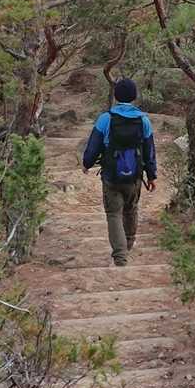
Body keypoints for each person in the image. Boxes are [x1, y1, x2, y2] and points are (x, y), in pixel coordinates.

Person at [81, 77, 157, 267]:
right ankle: (128, 243)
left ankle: (120, 256)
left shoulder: (105, 119)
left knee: (114, 213)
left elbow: (94, 146)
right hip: (134, 176)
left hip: (111, 176)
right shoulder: (143, 120)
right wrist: (152, 175)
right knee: (131, 209)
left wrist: (86, 164)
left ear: (116, 96)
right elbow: (149, 150)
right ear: (134, 96)